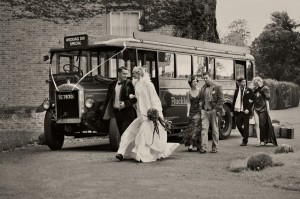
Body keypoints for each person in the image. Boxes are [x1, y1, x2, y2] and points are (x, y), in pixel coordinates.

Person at [116, 66, 180, 162]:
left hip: (148, 116)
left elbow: (154, 99)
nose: (132, 75)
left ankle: (142, 155)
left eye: (133, 73)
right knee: (128, 133)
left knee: (143, 136)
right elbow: (138, 98)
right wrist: (131, 97)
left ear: (139, 74)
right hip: (141, 115)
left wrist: (155, 112)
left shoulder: (148, 84)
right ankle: (121, 153)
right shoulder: (136, 84)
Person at [102, 66, 137, 136]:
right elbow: (108, 98)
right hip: (117, 112)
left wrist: (125, 104)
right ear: (119, 73)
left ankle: (125, 147)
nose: (126, 76)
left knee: (125, 133)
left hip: (127, 113)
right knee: (121, 133)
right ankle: (125, 147)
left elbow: (135, 99)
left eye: (127, 74)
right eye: (124, 74)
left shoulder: (130, 84)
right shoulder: (112, 84)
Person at [198, 72, 224, 154]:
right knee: (204, 129)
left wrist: (216, 110)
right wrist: (201, 108)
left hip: (213, 110)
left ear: (210, 77)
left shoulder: (217, 86)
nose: (205, 80)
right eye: (204, 78)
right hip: (205, 111)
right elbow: (201, 100)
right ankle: (204, 147)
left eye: (206, 78)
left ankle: (215, 147)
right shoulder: (202, 88)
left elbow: (221, 100)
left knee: (215, 130)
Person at [252, 76, 278, 147]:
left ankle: (265, 139)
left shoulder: (265, 88)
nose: (257, 83)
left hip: (263, 109)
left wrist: (268, 109)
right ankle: (258, 141)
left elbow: (267, 99)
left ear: (260, 81)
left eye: (258, 81)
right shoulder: (254, 90)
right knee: (257, 124)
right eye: (255, 82)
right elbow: (253, 99)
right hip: (256, 109)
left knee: (262, 125)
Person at [231, 77, 254, 146]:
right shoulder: (237, 91)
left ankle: (245, 141)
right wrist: (232, 110)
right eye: (243, 82)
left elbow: (252, 100)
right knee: (238, 125)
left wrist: (248, 109)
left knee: (246, 126)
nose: (244, 83)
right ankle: (245, 135)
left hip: (246, 111)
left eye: (245, 82)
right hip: (239, 111)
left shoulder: (249, 90)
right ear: (239, 83)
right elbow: (234, 101)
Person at [181, 76, 201, 151]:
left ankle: (192, 144)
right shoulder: (188, 92)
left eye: (196, 81)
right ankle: (195, 145)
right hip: (192, 111)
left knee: (196, 126)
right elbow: (188, 103)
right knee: (191, 127)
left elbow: (201, 101)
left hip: (198, 111)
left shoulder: (200, 90)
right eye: (193, 82)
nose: (195, 83)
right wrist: (188, 112)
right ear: (191, 83)